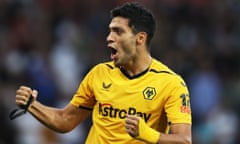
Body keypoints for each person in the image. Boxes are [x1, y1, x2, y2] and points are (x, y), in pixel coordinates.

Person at [14, 2, 192, 144]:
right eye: (110, 31)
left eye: (118, 31)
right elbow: (66, 120)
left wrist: (148, 135)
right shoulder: (99, 74)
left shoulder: (171, 84)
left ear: (140, 38)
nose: (109, 38)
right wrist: (32, 105)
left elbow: (184, 140)